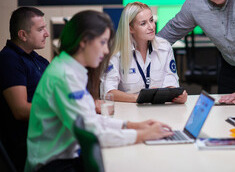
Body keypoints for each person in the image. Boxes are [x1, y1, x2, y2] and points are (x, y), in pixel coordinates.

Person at [26, 10, 173, 172]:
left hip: (67, 156)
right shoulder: (65, 77)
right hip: (53, 165)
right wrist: (142, 135)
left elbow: (91, 120)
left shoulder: (72, 69)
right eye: (102, 43)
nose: (105, 51)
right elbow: (92, 133)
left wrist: (134, 125)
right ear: (84, 42)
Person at [101, 2, 187, 103]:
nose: (151, 27)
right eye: (143, 23)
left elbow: (171, 83)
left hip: (159, 110)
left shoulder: (164, 47)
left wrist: (177, 96)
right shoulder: (116, 53)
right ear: (130, 28)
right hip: (128, 111)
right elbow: (108, 92)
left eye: (151, 20)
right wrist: (138, 98)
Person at [0, 7, 49, 171]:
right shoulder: (9, 60)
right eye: (41, 29)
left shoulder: (38, 59)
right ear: (22, 34)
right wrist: (63, 109)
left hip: (46, 135)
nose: (47, 34)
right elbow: (20, 110)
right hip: (29, 146)